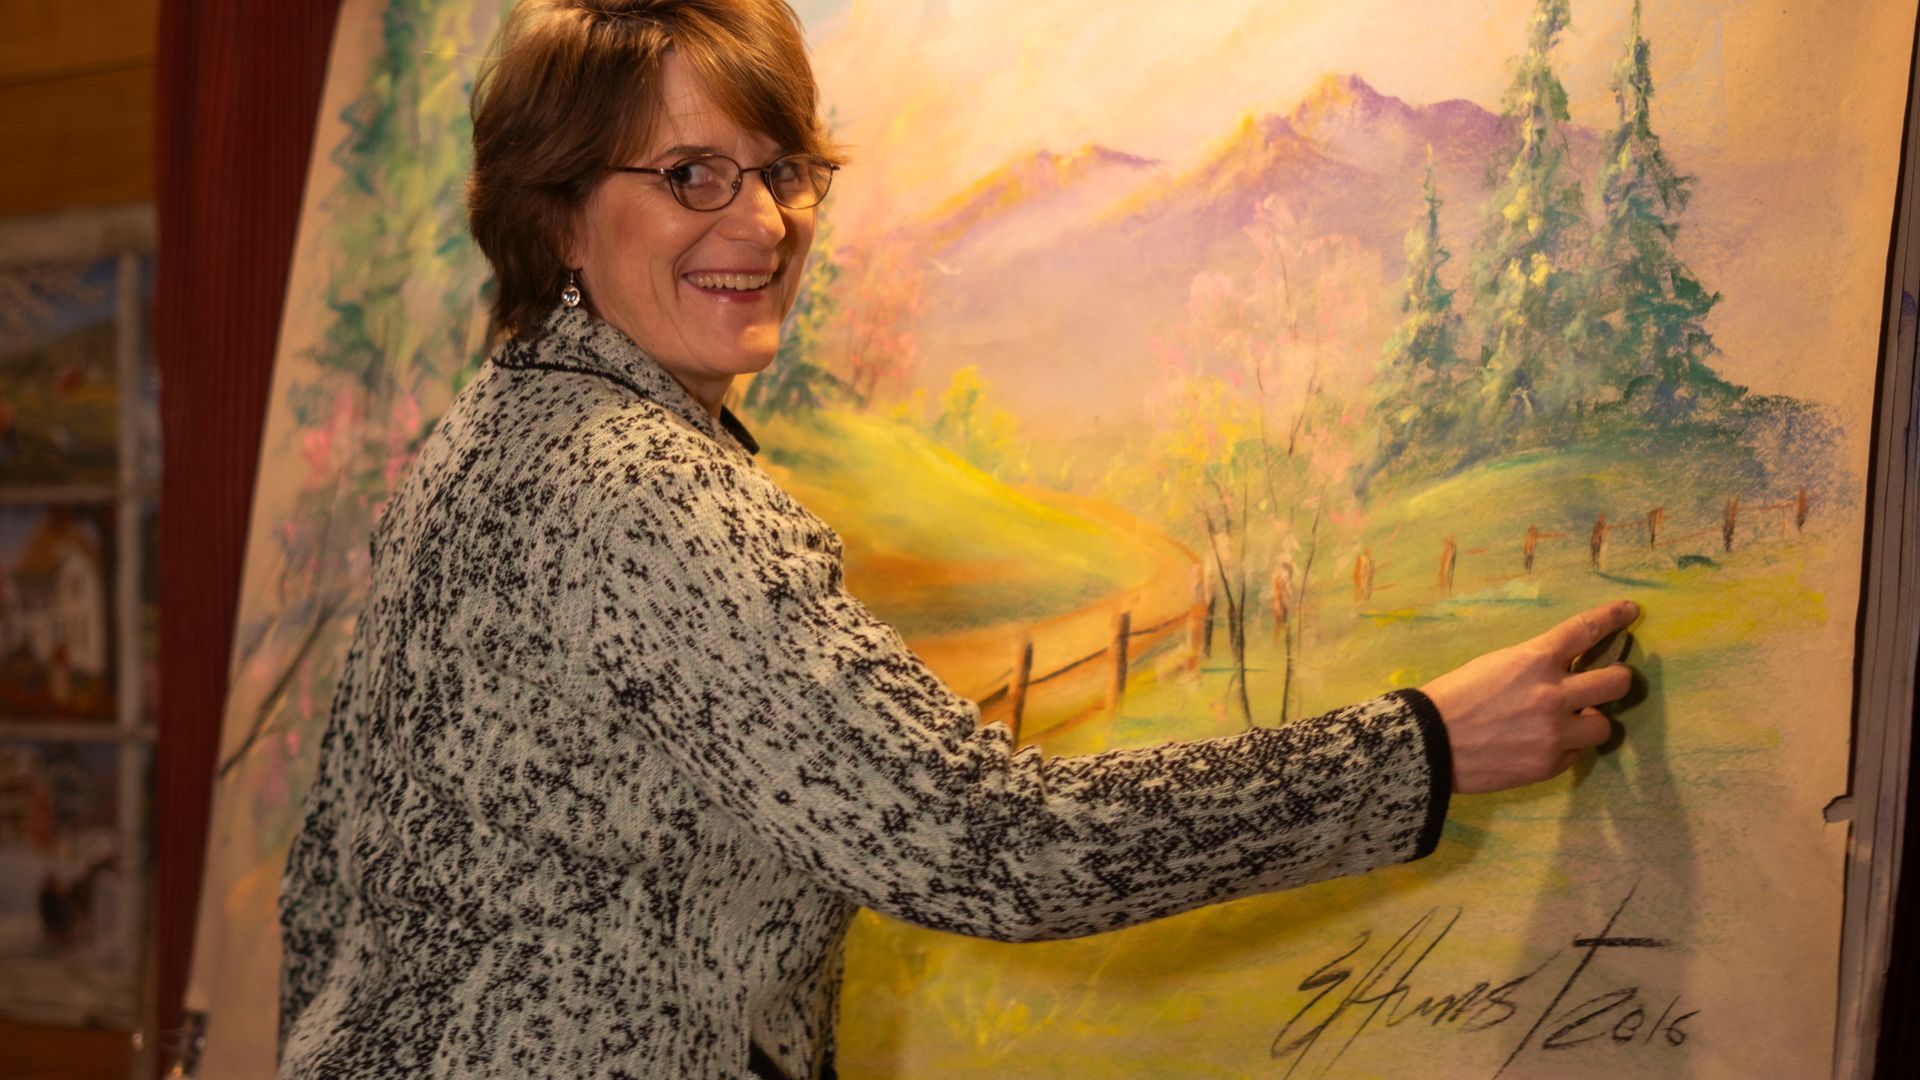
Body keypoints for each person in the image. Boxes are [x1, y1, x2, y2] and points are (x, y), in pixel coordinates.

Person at [275, 2, 1638, 1077]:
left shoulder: (480, 435)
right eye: (691, 175)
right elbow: (988, 843)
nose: (763, 222)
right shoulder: (648, 491)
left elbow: (329, 879)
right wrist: (1418, 749)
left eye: (784, 169)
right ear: (561, 213)